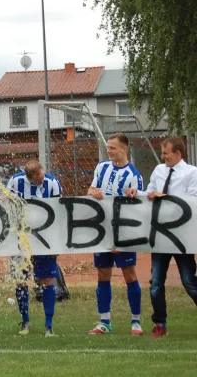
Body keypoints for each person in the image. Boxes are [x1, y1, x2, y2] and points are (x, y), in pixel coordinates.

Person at [125, 136, 197, 338]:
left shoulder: (192, 173)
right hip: (160, 235)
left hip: (182, 237)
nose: (163, 156)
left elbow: (192, 200)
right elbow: (150, 193)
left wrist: (164, 197)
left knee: (189, 281)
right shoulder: (159, 170)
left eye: (166, 153)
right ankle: (160, 324)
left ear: (178, 153)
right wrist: (136, 193)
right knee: (156, 282)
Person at [87, 133, 144, 336]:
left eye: (113, 148)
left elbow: (138, 209)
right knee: (103, 273)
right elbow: (91, 189)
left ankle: (136, 321)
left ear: (124, 149)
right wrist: (93, 192)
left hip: (123, 233)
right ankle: (104, 321)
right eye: (108, 147)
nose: (109, 151)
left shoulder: (134, 175)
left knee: (129, 274)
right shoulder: (102, 167)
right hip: (102, 231)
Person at [7, 160, 62, 337]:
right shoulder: (16, 182)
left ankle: (49, 324)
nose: (42, 179)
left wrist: (57, 243)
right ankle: (25, 321)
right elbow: (6, 205)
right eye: (37, 178)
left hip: (45, 239)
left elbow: (59, 212)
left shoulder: (52, 184)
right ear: (29, 177)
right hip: (21, 239)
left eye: (42, 174)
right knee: (21, 280)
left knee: (46, 280)